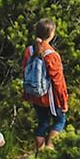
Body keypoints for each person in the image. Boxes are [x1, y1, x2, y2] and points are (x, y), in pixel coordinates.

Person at [20, 19, 69, 150]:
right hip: (50, 97)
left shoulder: (29, 51)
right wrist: (63, 101)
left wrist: (26, 94)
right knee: (59, 121)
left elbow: (25, 72)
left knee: (42, 123)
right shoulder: (51, 55)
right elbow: (58, 81)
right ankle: (49, 148)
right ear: (51, 33)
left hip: (35, 95)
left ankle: (40, 152)